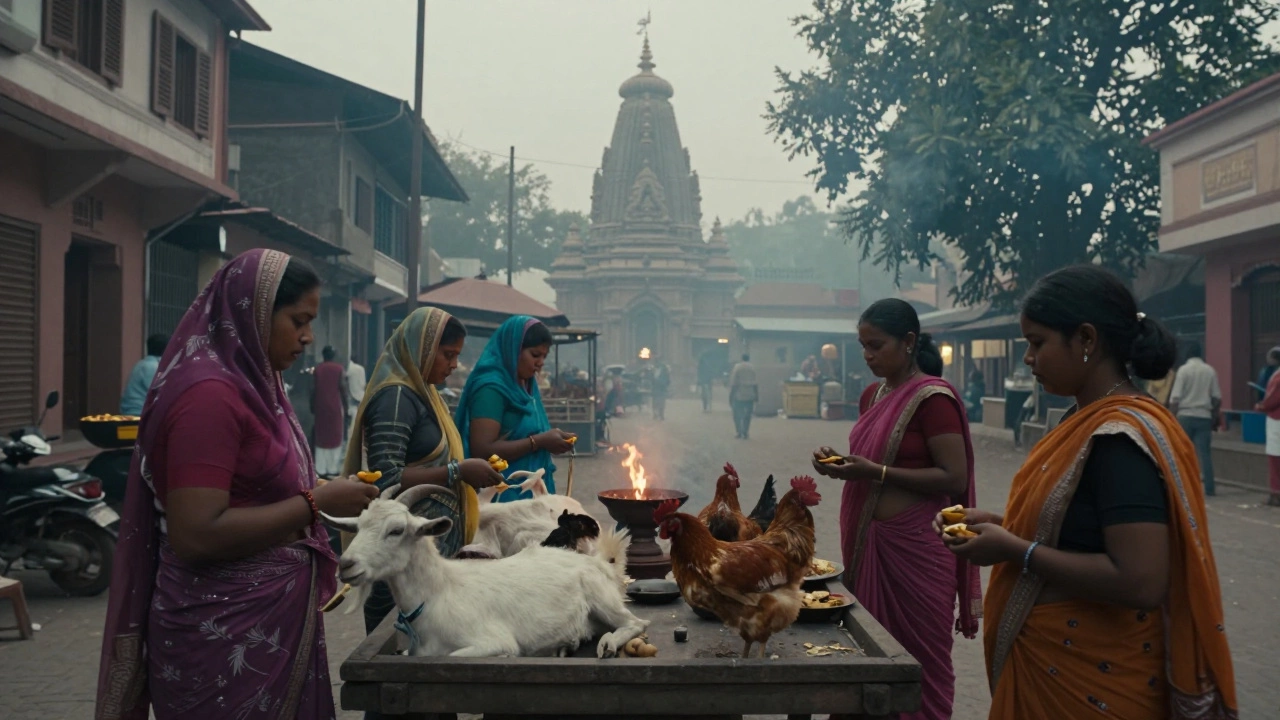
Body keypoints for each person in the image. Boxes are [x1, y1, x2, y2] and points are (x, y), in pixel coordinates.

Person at [940, 265, 1236, 720]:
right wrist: (1000, 529)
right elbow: (1079, 531)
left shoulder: (1120, 439)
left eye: (1037, 343)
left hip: (1095, 686)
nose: (1028, 358)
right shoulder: (1084, 423)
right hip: (1056, 667)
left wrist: (1015, 550)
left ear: (1086, 340)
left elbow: (1139, 579)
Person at [96, 249, 380, 720]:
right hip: (223, 636)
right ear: (256, 313)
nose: (308, 337)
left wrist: (324, 490)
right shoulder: (209, 395)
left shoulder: (256, 383)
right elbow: (196, 532)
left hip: (268, 621)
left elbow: (255, 483)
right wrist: (315, 502)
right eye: (299, 320)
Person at [812, 298, 980, 720]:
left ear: (908, 342)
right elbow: (871, 458)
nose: (867, 355)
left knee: (920, 665)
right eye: (863, 345)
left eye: (876, 345)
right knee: (866, 660)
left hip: (918, 552)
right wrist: (842, 463)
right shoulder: (873, 394)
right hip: (871, 545)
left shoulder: (934, 399)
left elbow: (953, 478)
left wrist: (877, 472)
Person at [343, 308, 503, 681]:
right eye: (447, 355)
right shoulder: (396, 398)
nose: (453, 364)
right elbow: (383, 481)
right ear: (420, 349)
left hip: (422, 565)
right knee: (396, 677)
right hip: (397, 564)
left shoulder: (424, 394)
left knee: (428, 673)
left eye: (456, 355)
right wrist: (456, 471)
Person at [455, 315, 576, 500]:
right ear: (513, 350)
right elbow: (482, 450)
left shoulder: (525, 385)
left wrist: (552, 439)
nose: (540, 362)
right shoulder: (491, 388)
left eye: (544, 356)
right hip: (504, 497)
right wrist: (539, 441)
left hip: (531, 493)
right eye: (535, 355)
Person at [1169, 342, 1221, 496]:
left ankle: (1183, 487)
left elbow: (1175, 399)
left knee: (1183, 453)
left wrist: (1171, 419)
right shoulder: (1210, 371)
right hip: (1204, 416)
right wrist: (1214, 417)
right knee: (1205, 454)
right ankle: (1210, 489)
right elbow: (1217, 398)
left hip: (1185, 416)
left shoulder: (1183, 371)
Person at [311, 346, 349, 478]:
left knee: (321, 436)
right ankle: (332, 469)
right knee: (335, 435)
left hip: (320, 407)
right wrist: (346, 406)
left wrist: (312, 406)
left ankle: (320, 469)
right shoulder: (339, 369)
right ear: (333, 355)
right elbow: (343, 389)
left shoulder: (318, 369)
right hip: (335, 407)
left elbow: (313, 389)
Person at [120, 334, 169, 415]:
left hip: (132, 411)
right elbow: (161, 393)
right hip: (138, 413)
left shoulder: (142, 364)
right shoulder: (152, 367)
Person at [1257, 347, 1280, 507]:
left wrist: (1260, 406)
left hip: (1276, 420)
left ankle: (1275, 494)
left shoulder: (1277, 377)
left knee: (1275, 458)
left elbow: (1273, 399)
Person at [729, 353, 758, 439]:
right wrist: (757, 395)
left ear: (741, 358)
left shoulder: (737, 367)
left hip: (739, 394)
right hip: (750, 394)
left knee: (737, 414)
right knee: (747, 415)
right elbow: (755, 384)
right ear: (749, 358)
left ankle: (739, 431)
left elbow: (734, 383)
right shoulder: (752, 368)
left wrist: (731, 395)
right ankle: (745, 432)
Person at [346, 353, 367, 439]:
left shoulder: (349, 370)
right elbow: (363, 384)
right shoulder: (361, 369)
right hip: (361, 397)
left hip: (351, 399)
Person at [650, 356, 671, 421]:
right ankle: (658, 414)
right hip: (659, 387)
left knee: (658, 401)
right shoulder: (655, 368)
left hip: (660, 387)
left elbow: (667, 379)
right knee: (659, 401)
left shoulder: (662, 369)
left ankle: (659, 414)